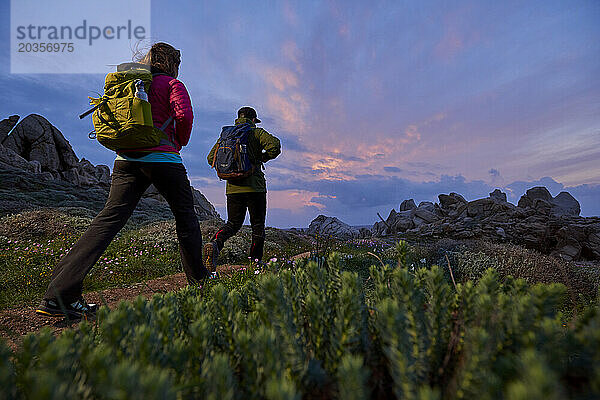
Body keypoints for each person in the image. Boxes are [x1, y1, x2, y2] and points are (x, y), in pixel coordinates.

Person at [36, 42, 210, 319]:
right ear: (172, 63)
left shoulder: (129, 83)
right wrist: (178, 142)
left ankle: (59, 294)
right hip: (164, 160)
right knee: (186, 218)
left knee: (108, 220)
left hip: (125, 160)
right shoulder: (171, 84)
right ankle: (201, 282)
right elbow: (184, 116)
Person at [204, 107, 281, 269]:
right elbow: (275, 146)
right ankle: (255, 263)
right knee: (258, 225)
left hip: (233, 188)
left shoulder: (226, 135)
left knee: (232, 223)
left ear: (237, 119)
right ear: (253, 120)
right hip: (255, 189)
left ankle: (215, 244)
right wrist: (261, 158)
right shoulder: (256, 132)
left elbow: (211, 158)